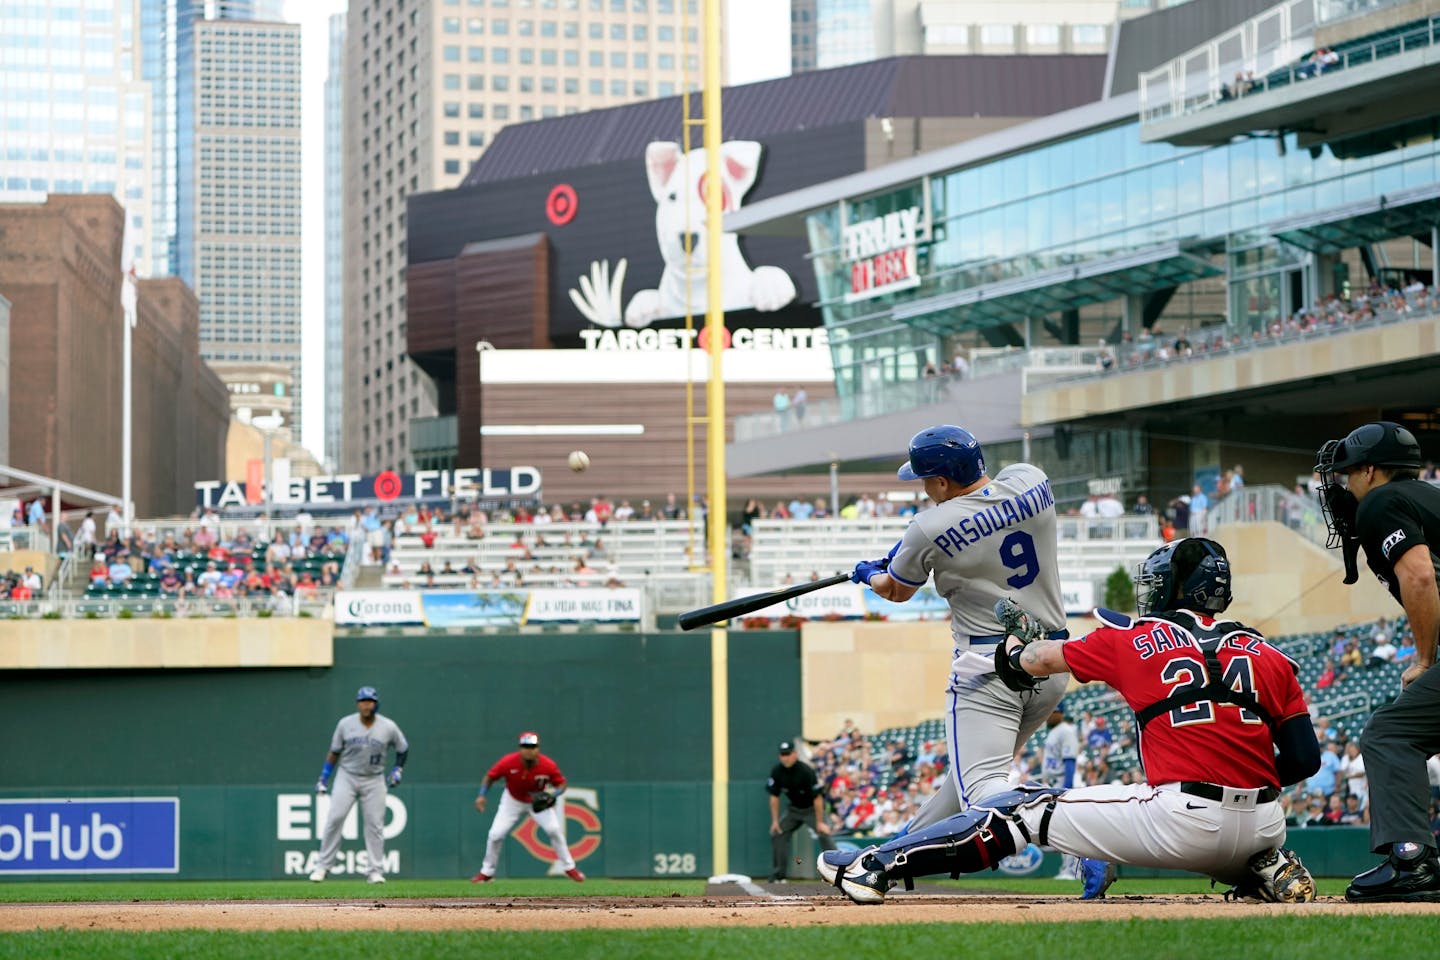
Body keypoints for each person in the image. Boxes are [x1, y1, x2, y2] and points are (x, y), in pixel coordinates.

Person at [820, 537, 1321, 905]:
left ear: (1170, 587)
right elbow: (1304, 759)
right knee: (1178, 817)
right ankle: (1257, 868)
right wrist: (1239, 791)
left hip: (1182, 819)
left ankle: (875, 866)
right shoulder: (1270, 655)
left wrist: (1014, 648)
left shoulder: (1134, 638)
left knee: (1020, 808)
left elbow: (1038, 661)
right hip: (1263, 824)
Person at [850, 425, 1073, 833]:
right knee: (964, 786)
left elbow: (896, 591)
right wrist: (913, 550)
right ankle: (886, 857)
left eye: (925, 482)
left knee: (983, 797)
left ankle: (1080, 838)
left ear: (940, 480)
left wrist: (868, 573)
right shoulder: (1030, 478)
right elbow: (981, 512)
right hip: (1053, 663)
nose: (924, 489)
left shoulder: (928, 526)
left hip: (989, 670)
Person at [1314, 421, 1440, 901]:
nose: (1345, 487)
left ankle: (1412, 863)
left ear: (1370, 469)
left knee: (1391, 733)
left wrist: (1424, 659)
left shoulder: (1383, 502)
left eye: (1348, 475)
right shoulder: (1428, 496)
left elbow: (1421, 577)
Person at [309, 687, 409, 884]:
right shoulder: (345, 724)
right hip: (347, 775)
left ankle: (375, 871)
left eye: (370, 701)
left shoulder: (388, 726)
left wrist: (398, 768)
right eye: (362, 701)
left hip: (374, 778)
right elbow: (334, 752)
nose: (366, 704)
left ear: (376, 703)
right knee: (335, 818)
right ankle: (322, 866)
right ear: (357, 704)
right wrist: (324, 777)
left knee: (375, 825)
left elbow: (403, 748)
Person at [471, 731, 585, 883]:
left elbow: (561, 783)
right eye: (525, 746)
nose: (529, 750)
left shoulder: (547, 765)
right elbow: (490, 777)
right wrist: (481, 795)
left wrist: (554, 795)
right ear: (520, 748)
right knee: (495, 835)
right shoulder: (508, 762)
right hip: (512, 801)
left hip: (537, 801)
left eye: (532, 746)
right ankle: (487, 872)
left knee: (554, 830)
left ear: (538, 748)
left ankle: (569, 868)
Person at [766, 740, 835, 882]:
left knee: (824, 833)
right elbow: (774, 797)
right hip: (794, 810)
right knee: (777, 833)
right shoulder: (777, 771)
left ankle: (837, 872)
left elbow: (818, 798)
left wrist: (820, 822)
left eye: (788, 754)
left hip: (811, 809)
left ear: (795, 754)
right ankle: (779, 875)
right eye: (782, 754)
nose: (785, 757)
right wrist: (774, 822)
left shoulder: (806, 771)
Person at [1039, 703, 1081, 881]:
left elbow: (1070, 761)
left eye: (1051, 712)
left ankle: (1073, 870)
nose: (1047, 716)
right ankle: (1068, 868)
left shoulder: (1066, 731)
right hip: (1055, 785)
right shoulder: (1055, 731)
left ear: (1060, 713)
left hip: (1064, 784)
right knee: (1061, 830)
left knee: (1068, 830)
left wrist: (1066, 790)